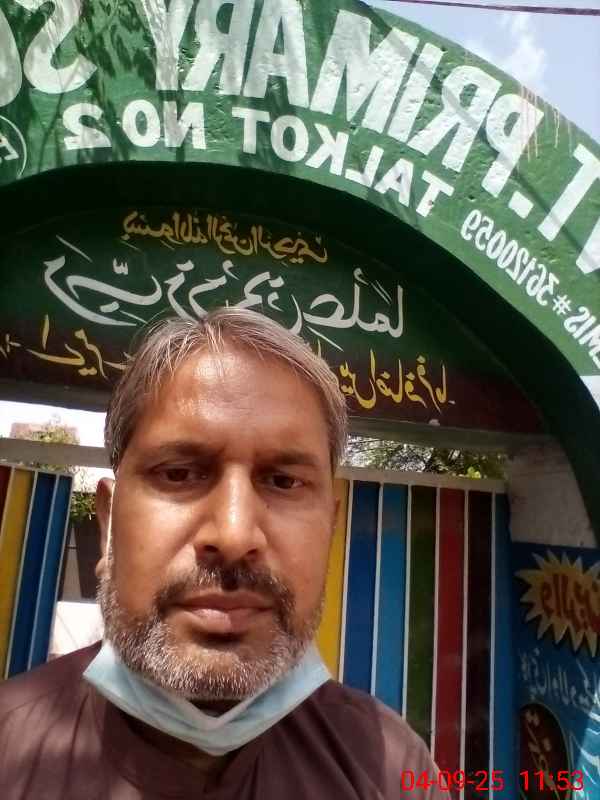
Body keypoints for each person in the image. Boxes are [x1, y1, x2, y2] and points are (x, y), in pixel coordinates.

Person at [0, 308, 445, 799]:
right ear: (108, 523)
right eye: (179, 473)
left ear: (330, 529)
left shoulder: (390, 767)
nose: (234, 536)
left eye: (283, 481)